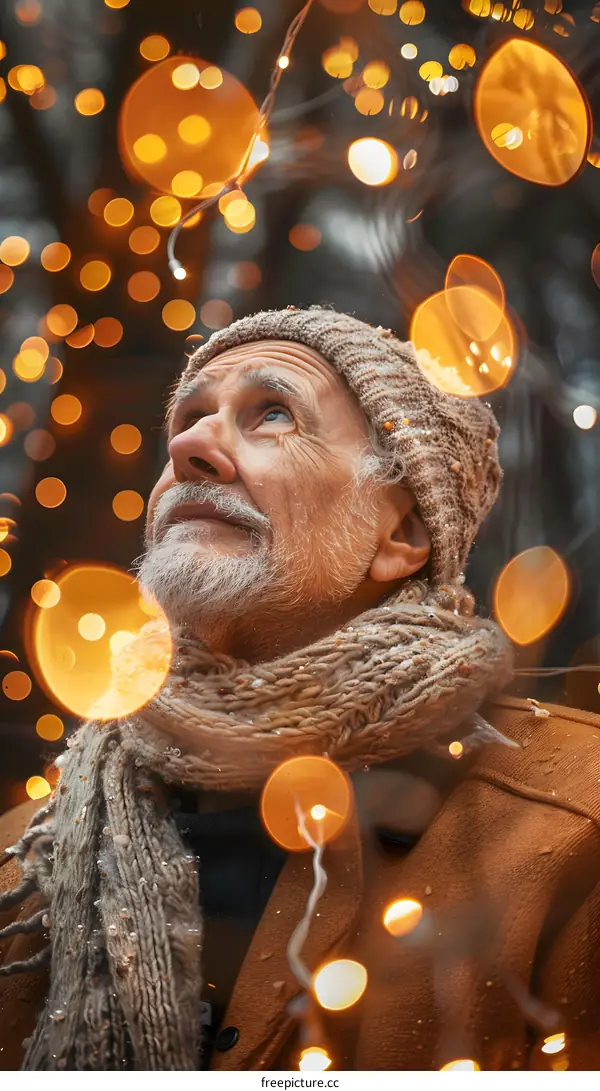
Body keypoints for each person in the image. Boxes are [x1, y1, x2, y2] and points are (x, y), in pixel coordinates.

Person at [1, 305, 600, 1072]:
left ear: (403, 534)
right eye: (188, 419)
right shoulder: (27, 856)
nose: (188, 446)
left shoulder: (569, 829)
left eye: (273, 413)